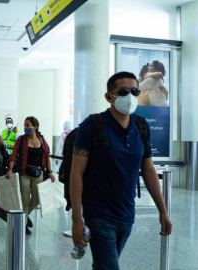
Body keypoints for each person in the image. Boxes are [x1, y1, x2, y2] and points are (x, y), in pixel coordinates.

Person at [70, 72, 172, 269]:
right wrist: (76, 218)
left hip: (126, 214)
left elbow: (148, 170)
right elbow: (76, 172)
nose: (130, 96)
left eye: (135, 91)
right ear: (109, 97)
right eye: (123, 91)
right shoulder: (92, 125)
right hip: (98, 213)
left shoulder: (141, 127)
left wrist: (163, 211)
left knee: (105, 265)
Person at [6, 116, 56, 235]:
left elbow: (47, 156)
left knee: (36, 200)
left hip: (38, 173)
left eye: (28, 125)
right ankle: (23, 224)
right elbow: (13, 155)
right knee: (25, 201)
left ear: (35, 127)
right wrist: (10, 169)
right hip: (24, 173)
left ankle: (25, 218)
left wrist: (49, 172)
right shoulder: (21, 140)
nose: (25, 127)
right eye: (25, 125)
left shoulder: (42, 141)